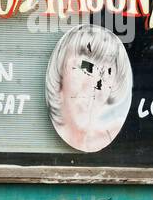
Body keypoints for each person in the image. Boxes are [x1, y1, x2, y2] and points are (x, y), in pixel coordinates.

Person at [45, 24, 133, 153]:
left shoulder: (115, 136)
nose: (96, 84)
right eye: (86, 67)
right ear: (59, 75)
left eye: (107, 72)